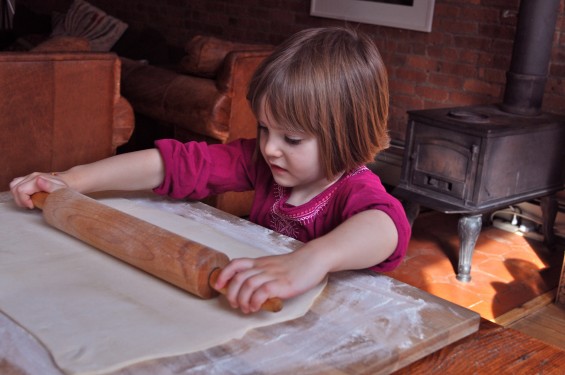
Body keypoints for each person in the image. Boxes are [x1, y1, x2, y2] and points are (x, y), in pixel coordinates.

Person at [10, 27, 411, 314]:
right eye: (264, 128)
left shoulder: (354, 190)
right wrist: (73, 179)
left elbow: (387, 227)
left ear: (348, 136)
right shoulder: (260, 162)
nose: (270, 148)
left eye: (292, 139)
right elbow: (172, 164)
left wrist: (313, 258)